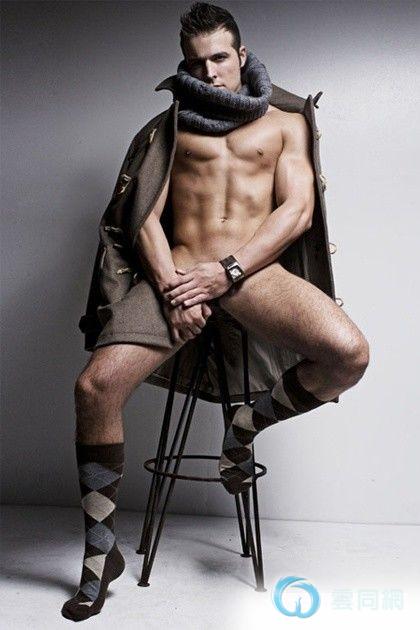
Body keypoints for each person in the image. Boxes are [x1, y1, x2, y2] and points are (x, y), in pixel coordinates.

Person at [62, 1, 370, 621]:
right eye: (197, 63)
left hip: (250, 273)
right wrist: (174, 286)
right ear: (186, 64)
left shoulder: (285, 124)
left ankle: (246, 426)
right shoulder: (168, 128)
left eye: (221, 58)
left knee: (349, 355)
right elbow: (142, 216)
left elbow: (296, 211)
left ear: (242, 55)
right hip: (178, 274)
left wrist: (226, 271)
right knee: (94, 388)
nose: (210, 72)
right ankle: (100, 552)